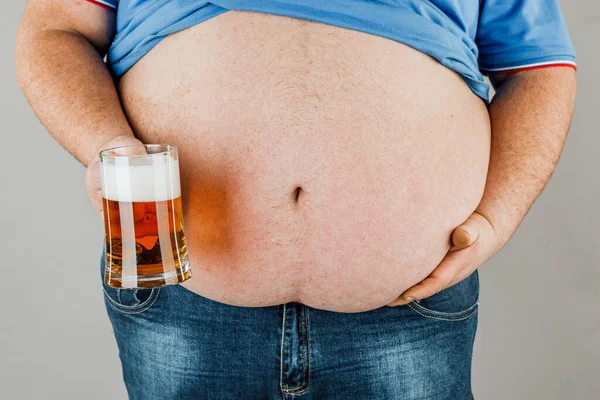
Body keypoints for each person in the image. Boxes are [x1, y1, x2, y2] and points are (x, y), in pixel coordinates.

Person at [15, 0, 576, 399]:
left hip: (409, 298)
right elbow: (55, 28)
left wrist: (497, 217)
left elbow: (538, 67)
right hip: (178, 279)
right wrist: (106, 147)